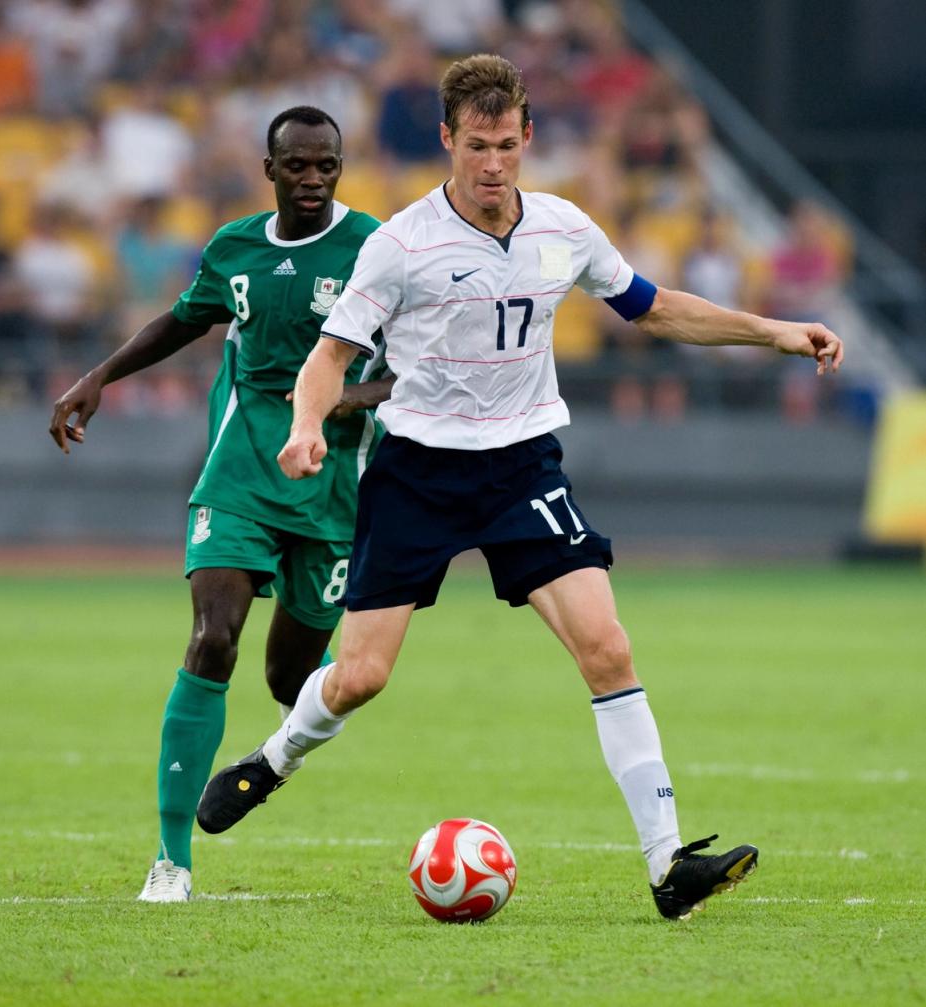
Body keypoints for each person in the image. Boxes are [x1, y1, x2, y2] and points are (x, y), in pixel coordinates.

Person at [197, 56, 843, 920]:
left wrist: (773, 331)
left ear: (527, 138)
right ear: (446, 142)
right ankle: (272, 760)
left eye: (506, 145)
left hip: (520, 468)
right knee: (358, 678)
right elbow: (330, 357)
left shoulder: (563, 229)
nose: (492, 164)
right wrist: (308, 426)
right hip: (417, 472)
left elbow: (651, 307)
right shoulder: (402, 244)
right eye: (475, 146)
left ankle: (667, 867)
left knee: (607, 648)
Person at [49, 106, 392, 902]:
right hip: (241, 467)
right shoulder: (235, 246)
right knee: (213, 637)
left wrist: (343, 401)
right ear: (268, 168)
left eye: (325, 166)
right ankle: (171, 859)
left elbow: (415, 368)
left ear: (339, 167)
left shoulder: (377, 248)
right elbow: (183, 319)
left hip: (334, 480)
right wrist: (99, 375)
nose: (312, 179)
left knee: (291, 675)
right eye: (297, 166)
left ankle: (269, 759)